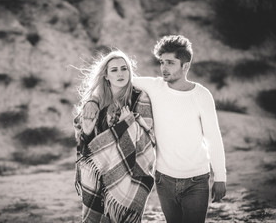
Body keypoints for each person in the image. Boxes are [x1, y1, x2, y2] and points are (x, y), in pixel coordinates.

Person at [82, 35, 227, 223]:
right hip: (163, 179)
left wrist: (220, 177)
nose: (164, 68)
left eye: (170, 63)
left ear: (185, 66)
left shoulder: (201, 95)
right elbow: (116, 80)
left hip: (197, 179)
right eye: (162, 62)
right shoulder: (155, 86)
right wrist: (92, 101)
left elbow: (213, 137)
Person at [73, 49, 156, 223]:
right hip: (100, 174)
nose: (120, 73)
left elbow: (148, 138)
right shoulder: (97, 102)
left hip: (130, 174)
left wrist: (129, 124)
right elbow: (87, 147)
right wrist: (87, 130)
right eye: (114, 70)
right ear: (106, 75)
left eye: (124, 68)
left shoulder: (140, 98)